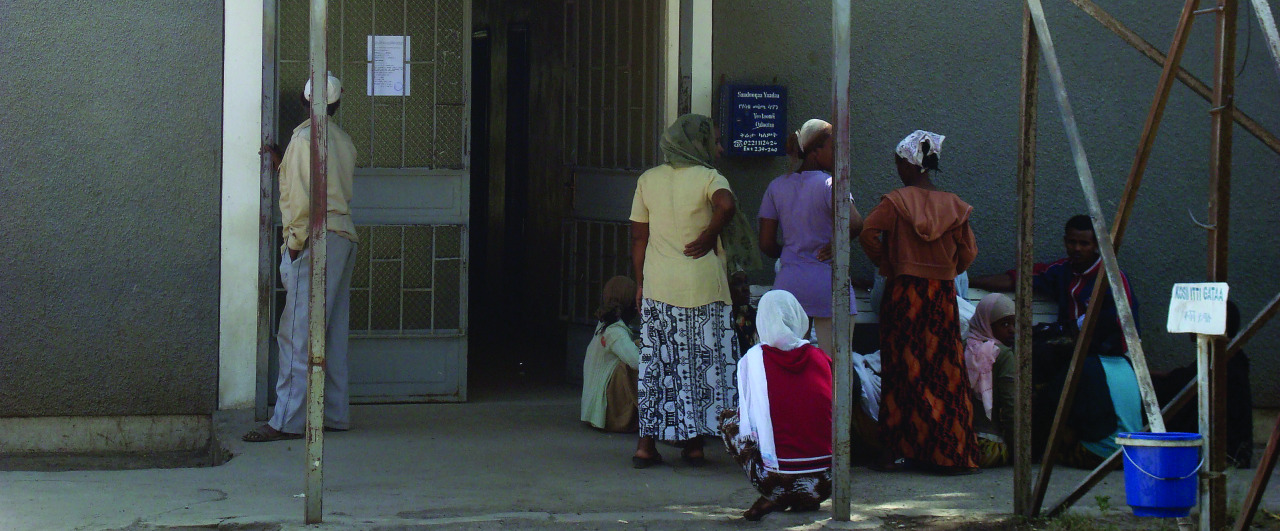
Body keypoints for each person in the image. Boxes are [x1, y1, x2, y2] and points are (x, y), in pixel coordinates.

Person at [244, 73, 359, 442]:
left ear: (304, 101)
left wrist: (294, 246)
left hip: (314, 240)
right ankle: (334, 414)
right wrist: (285, 162)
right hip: (343, 238)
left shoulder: (303, 139)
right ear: (337, 104)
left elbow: (303, 203)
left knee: (295, 332)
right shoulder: (342, 140)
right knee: (332, 330)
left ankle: (287, 421)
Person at [858, 130, 980, 474]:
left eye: (899, 161)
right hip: (941, 296)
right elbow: (969, 252)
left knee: (901, 369)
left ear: (910, 163)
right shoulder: (956, 206)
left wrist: (888, 262)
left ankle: (893, 453)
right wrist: (947, 268)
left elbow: (867, 231)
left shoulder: (895, 202)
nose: (896, 168)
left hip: (904, 295)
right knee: (945, 371)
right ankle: (948, 451)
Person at [629, 114, 739, 468]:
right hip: (702, 287)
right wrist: (709, 236)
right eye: (715, 141)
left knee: (658, 366)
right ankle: (694, 446)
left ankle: (646, 446)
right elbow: (727, 205)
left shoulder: (648, 180)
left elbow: (638, 238)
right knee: (698, 364)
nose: (719, 149)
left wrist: (641, 282)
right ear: (699, 143)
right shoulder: (710, 177)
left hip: (659, 286)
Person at [719, 290, 833, 521]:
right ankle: (803, 497)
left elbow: (748, 424)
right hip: (827, 482)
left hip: (775, 483)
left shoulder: (753, 359)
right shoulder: (821, 357)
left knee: (730, 420)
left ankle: (774, 495)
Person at [757, 119, 861, 351]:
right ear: (815, 151)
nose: (839, 153)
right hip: (829, 285)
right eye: (834, 148)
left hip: (789, 285)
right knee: (834, 369)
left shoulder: (776, 186)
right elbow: (856, 223)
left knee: (790, 364)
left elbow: (765, 243)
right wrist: (836, 246)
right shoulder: (831, 184)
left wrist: (789, 252)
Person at [580, 276, 641, 433]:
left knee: (635, 349)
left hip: (594, 411)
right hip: (606, 414)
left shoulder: (604, 325)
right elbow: (637, 362)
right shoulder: (615, 332)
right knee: (638, 357)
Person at [964, 293, 1017, 468]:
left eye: (1015, 323)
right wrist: (1019, 450)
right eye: (1005, 324)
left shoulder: (965, 347)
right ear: (987, 323)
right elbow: (1011, 407)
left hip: (960, 443)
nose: (1012, 330)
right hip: (990, 447)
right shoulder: (1002, 355)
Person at [729, 271, 759, 356]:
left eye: (746, 282)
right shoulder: (724, 319)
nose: (745, 288)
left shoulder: (752, 315)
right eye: (738, 283)